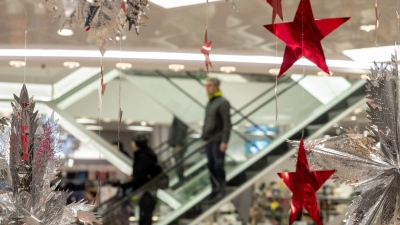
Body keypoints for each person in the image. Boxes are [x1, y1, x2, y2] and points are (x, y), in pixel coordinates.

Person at [202, 78, 231, 199]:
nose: (207, 88)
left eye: (210, 86)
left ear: (216, 86)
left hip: (218, 139)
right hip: (209, 140)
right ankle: (214, 189)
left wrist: (224, 141)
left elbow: (227, 123)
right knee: (210, 165)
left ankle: (221, 189)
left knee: (218, 165)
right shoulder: (210, 102)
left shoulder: (222, 102)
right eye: (206, 86)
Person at [121, 134, 159, 225]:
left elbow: (141, 175)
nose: (132, 143)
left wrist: (127, 184)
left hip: (145, 189)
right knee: (146, 215)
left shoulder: (143, 157)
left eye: (133, 141)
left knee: (145, 216)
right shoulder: (147, 155)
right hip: (148, 189)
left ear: (136, 143)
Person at [168, 116, 188, 183]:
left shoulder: (180, 118)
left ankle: (181, 179)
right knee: (178, 161)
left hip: (179, 144)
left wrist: (179, 143)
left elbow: (181, 131)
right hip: (177, 144)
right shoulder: (178, 117)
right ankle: (181, 178)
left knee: (179, 162)